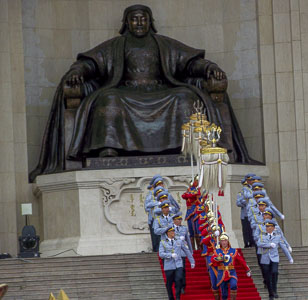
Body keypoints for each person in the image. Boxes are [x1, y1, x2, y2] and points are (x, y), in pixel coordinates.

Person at [29, 4, 258, 183]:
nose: (139, 23)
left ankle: (184, 147)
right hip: (125, 92)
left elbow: (190, 63)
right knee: (108, 99)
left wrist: (209, 68)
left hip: (160, 90)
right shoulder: (116, 45)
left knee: (185, 98)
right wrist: (76, 72)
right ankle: (110, 148)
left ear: (150, 22)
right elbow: (90, 64)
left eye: (143, 18)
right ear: (127, 22)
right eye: (134, 19)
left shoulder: (163, 44)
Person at [257, 220, 293, 300]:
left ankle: (275, 290)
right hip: (265, 259)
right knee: (267, 277)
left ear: (273, 228)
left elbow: (283, 247)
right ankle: (271, 294)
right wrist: (269, 245)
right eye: (266, 226)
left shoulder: (277, 236)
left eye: (269, 226)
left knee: (275, 272)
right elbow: (259, 244)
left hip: (274, 258)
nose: (267, 228)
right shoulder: (262, 236)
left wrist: (289, 258)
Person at [211, 233, 251, 300]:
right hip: (222, 273)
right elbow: (213, 260)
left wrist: (247, 269)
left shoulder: (234, 251)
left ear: (228, 241)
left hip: (231, 272)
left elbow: (241, 261)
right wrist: (222, 258)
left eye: (225, 240)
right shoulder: (216, 251)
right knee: (224, 294)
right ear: (220, 242)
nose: (224, 242)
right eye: (222, 241)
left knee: (233, 285)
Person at [159, 227, 195, 300]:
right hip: (169, 266)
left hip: (178, 264)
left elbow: (186, 251)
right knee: (169, 284)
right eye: (172, 231)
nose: (173, 233)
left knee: (179, 280)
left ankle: (178, 297)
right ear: (167, 233)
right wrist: (170, 255)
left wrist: (192, 261)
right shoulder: (163, 242)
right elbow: (161, 254)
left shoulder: (179, 241)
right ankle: (171, 298)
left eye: (173, 231)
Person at [172, 212, 192, 294]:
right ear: (174, 220)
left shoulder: (184, 228)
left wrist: (190, 251)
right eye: (178, 219)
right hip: (174, 253)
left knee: (182, 270)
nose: (180, 221)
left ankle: (182, 286)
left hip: (182, 253)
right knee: (175, 270)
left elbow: (188, 240)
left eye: (180, 219)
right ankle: (177, 285)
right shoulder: (170, 229)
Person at [236, 178, 255, 247]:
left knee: (252, 229)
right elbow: (238, 203)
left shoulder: (252, 193)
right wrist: (244, 202)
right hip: (244, 214)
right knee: (245, 229)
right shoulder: (240, 194)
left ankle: (252, 242)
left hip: (252, 214)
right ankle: (246, 242)